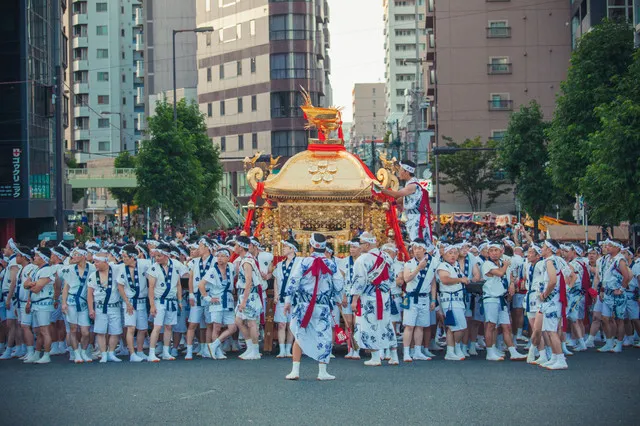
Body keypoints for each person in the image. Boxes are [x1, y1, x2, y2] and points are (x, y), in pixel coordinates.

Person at [284, 233, 343, 380]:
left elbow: (293, 281)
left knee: (299, 334)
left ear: (310, 246)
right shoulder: (331, 263)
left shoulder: (304, 262)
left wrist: (287, 301)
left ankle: (295, 370)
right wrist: (338, 299)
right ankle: (322, 371)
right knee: (323, 335)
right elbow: (339, 284)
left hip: (304, 304)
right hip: (322, 306)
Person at [350, 232, 399, 366]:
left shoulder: (362, 259)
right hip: (384, 297)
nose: (359, 247)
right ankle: (394, 356)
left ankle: (375, 356)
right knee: (386, 324)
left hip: (368, 298)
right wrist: (384, 289)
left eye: (360, 244)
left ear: (366, 244)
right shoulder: (386, 257)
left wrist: (354, 299)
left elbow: (359, 281)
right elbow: (392, 279)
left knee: (368, 325)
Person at [481, 242, 526, 362]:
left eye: (497, 250)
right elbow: (500, 273)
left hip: (501, 298)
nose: (494, 253)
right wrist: (506, 265)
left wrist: (511, 284)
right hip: (491, 298)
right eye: (491, 250)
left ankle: (513, 351)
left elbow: (510, 276)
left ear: (501, 251)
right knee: (490, 325)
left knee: (506, 326)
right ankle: (490, 351)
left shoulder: (502, 263)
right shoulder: (487, 264)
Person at [146, 243, 189, 362]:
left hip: (172, 300)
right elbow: (151, 287)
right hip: (159, 300)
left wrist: (180, 300)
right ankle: (151, 352)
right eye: (156, 255)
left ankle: (166, 351)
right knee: (157, 326)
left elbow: (179, 284)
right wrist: (152, 305)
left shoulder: (175, 265)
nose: (157, 258)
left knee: (169, 327)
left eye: (159, 256)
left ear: (166, 255)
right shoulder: (153, 268)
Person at [379, 160, 432, 243]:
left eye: (400, 170)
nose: (398, 173)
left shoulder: (412, 185)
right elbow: (403, 199)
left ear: (406, 172)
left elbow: (397, 195)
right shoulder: (410, 184)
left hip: (416, 219)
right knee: (416, 243)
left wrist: (380, 189)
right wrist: (393, 203)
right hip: (413, 217)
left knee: (417, 244)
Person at [535, 239, 569, 370]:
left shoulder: (550, 261)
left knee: (551, 331)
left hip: (551, 301)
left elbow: (553, 280)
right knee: (549, 330)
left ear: (549, 249)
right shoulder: (558, 260)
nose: (541, 249)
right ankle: (555, 357)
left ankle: (560, 358)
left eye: (543, 247)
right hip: (554, 300)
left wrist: (545, 294)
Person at [402, 239, 437, 362]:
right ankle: (406, 352)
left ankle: (417, 351)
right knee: (409, 325)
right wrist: (418, 268)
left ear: (424, 250)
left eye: (419, 248)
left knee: (420, 326)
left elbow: (433, 282)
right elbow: (406, 279)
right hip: (412, 297)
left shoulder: (433, 263)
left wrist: (433, 299)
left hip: (424, 297)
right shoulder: (409, 264)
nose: (416, 251)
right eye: (414, 249)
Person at [60, 246, 95, 363]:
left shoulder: (92, 268)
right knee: (73, 329)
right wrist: (63, 302)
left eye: (76, 254)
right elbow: (66, 287)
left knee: (85, 331)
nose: (73, 257)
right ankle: (76, 353)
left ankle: (84, 351)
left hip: (84, 303)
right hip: (71, 301)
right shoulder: (69, 269)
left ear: (83, 256)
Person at [116, 244, 151, 362]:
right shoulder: (121, 267)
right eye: (122, 256)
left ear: (133, 257)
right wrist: (127, 302)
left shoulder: (143, 264)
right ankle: (132, 353)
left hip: (141, 300)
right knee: (131, 327)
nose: (123, 259)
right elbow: (120, 287)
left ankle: (140, 351)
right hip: (129, 301)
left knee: (142, 328)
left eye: (125, 256)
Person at [200, 245, 236, 359]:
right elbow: (201, 285)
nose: (220, 258)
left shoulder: (231, 267)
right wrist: (207, 298)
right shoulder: (212, 270)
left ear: (228, 258)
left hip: (228, 300)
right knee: (217, 326)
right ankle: (217, 350)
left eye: (223, 256)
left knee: (232, 327)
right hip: (217, 299)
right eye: (218, 256)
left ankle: (214, 345)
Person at [87, 251, 123, 363]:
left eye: (97, 261)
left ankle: (111, 352)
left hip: (114, 306)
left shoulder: (115, 270)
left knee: (115, 330)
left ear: (105, 262)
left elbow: (123, 263)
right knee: (100, 331)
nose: (95, 264)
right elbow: (89, 294)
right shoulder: (93, 276)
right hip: (100, 307)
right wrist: (91, 309)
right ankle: (103, 354)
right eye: (94, 262)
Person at [598, 240, 632, 353]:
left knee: (619, 320)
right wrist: (602, 290)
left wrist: (621, 289)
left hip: (617, 295)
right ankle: (609, 342)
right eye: (607, 246)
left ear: (617, 248)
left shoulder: (620, 260)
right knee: (605, 318)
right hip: (607, 293)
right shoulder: (606, 259)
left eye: (610, 246)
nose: (607, 247)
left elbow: (627, 276)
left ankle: (619, 344)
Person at [23, 248, 56, 364]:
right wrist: (30, 284)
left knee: (44, 330)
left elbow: (36, 288)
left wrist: (30, 284)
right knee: (38, 330)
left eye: (37, 256)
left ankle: (46, 354)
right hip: (35, 303)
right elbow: (25, 284)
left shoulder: (47, 270)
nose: (34, 257)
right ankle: (37, 353)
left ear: (42, 258)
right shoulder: (36, 269)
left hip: (44, 303)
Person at [437, 244, 469, 361]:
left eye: (455, 253)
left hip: (458, 299)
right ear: (444, 254)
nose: (453, 255)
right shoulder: (443, 266)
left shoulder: (455, 266)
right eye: (450, 253)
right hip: (450, 300)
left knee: (452, 327)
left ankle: (451, 351)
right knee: (460, 326)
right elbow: (445, 280)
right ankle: (456, 347)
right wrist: (460, 280)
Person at [234, 236, 263, 360]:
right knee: (239, 321)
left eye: (236, 245)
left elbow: (249, 282)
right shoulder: (244, 259)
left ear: (241, 247)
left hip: (249, 295)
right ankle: (250, 347)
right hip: (245, 294)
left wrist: (244, 301)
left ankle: (255, 350)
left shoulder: (247, 262)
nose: (234, 247)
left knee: (251, 323)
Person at [185, 238, 215, 360]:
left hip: (209, 293)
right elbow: (191, 278)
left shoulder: (214, 261)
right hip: (197, 295)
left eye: (201, 246)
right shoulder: (195, 262)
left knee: (209, 324)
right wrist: (191, 293)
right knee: (192, 324)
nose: (199, 249)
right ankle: (189, 350)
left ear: (207, 248)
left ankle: (206, 348)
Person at [273, 237, 301, 358]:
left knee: (291, 324)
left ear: (292, 249)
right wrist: (275, 294)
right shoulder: (280, 264)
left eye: (285, 247)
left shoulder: (300, 262)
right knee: (281, 324)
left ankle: (289, 348)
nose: (283, 249)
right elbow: (276, 280)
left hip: (294, 298)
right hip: (281, 297)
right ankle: (281, 349)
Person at [341, 238, 361, 359]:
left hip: (359, 295)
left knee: (357, 322)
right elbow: (341, 279)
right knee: (348, 323)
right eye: (351, 247)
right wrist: (343, 295)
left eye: (354, 247)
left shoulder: (363, 260)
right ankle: (350, 347)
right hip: (347, 294)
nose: (352, 249)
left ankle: (357, 349)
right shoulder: (344, 261)